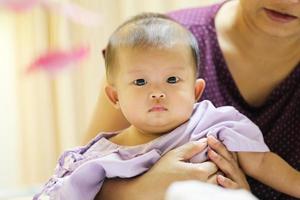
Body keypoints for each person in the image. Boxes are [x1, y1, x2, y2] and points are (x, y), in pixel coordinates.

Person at [35, 12, 300, 200]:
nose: (157, 92)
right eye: (140, 82)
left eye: (172, 80)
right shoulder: (100, 159)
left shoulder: (216, 123)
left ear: (196, 91)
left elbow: (262, 161)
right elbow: (59, 193)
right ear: (115, 97)